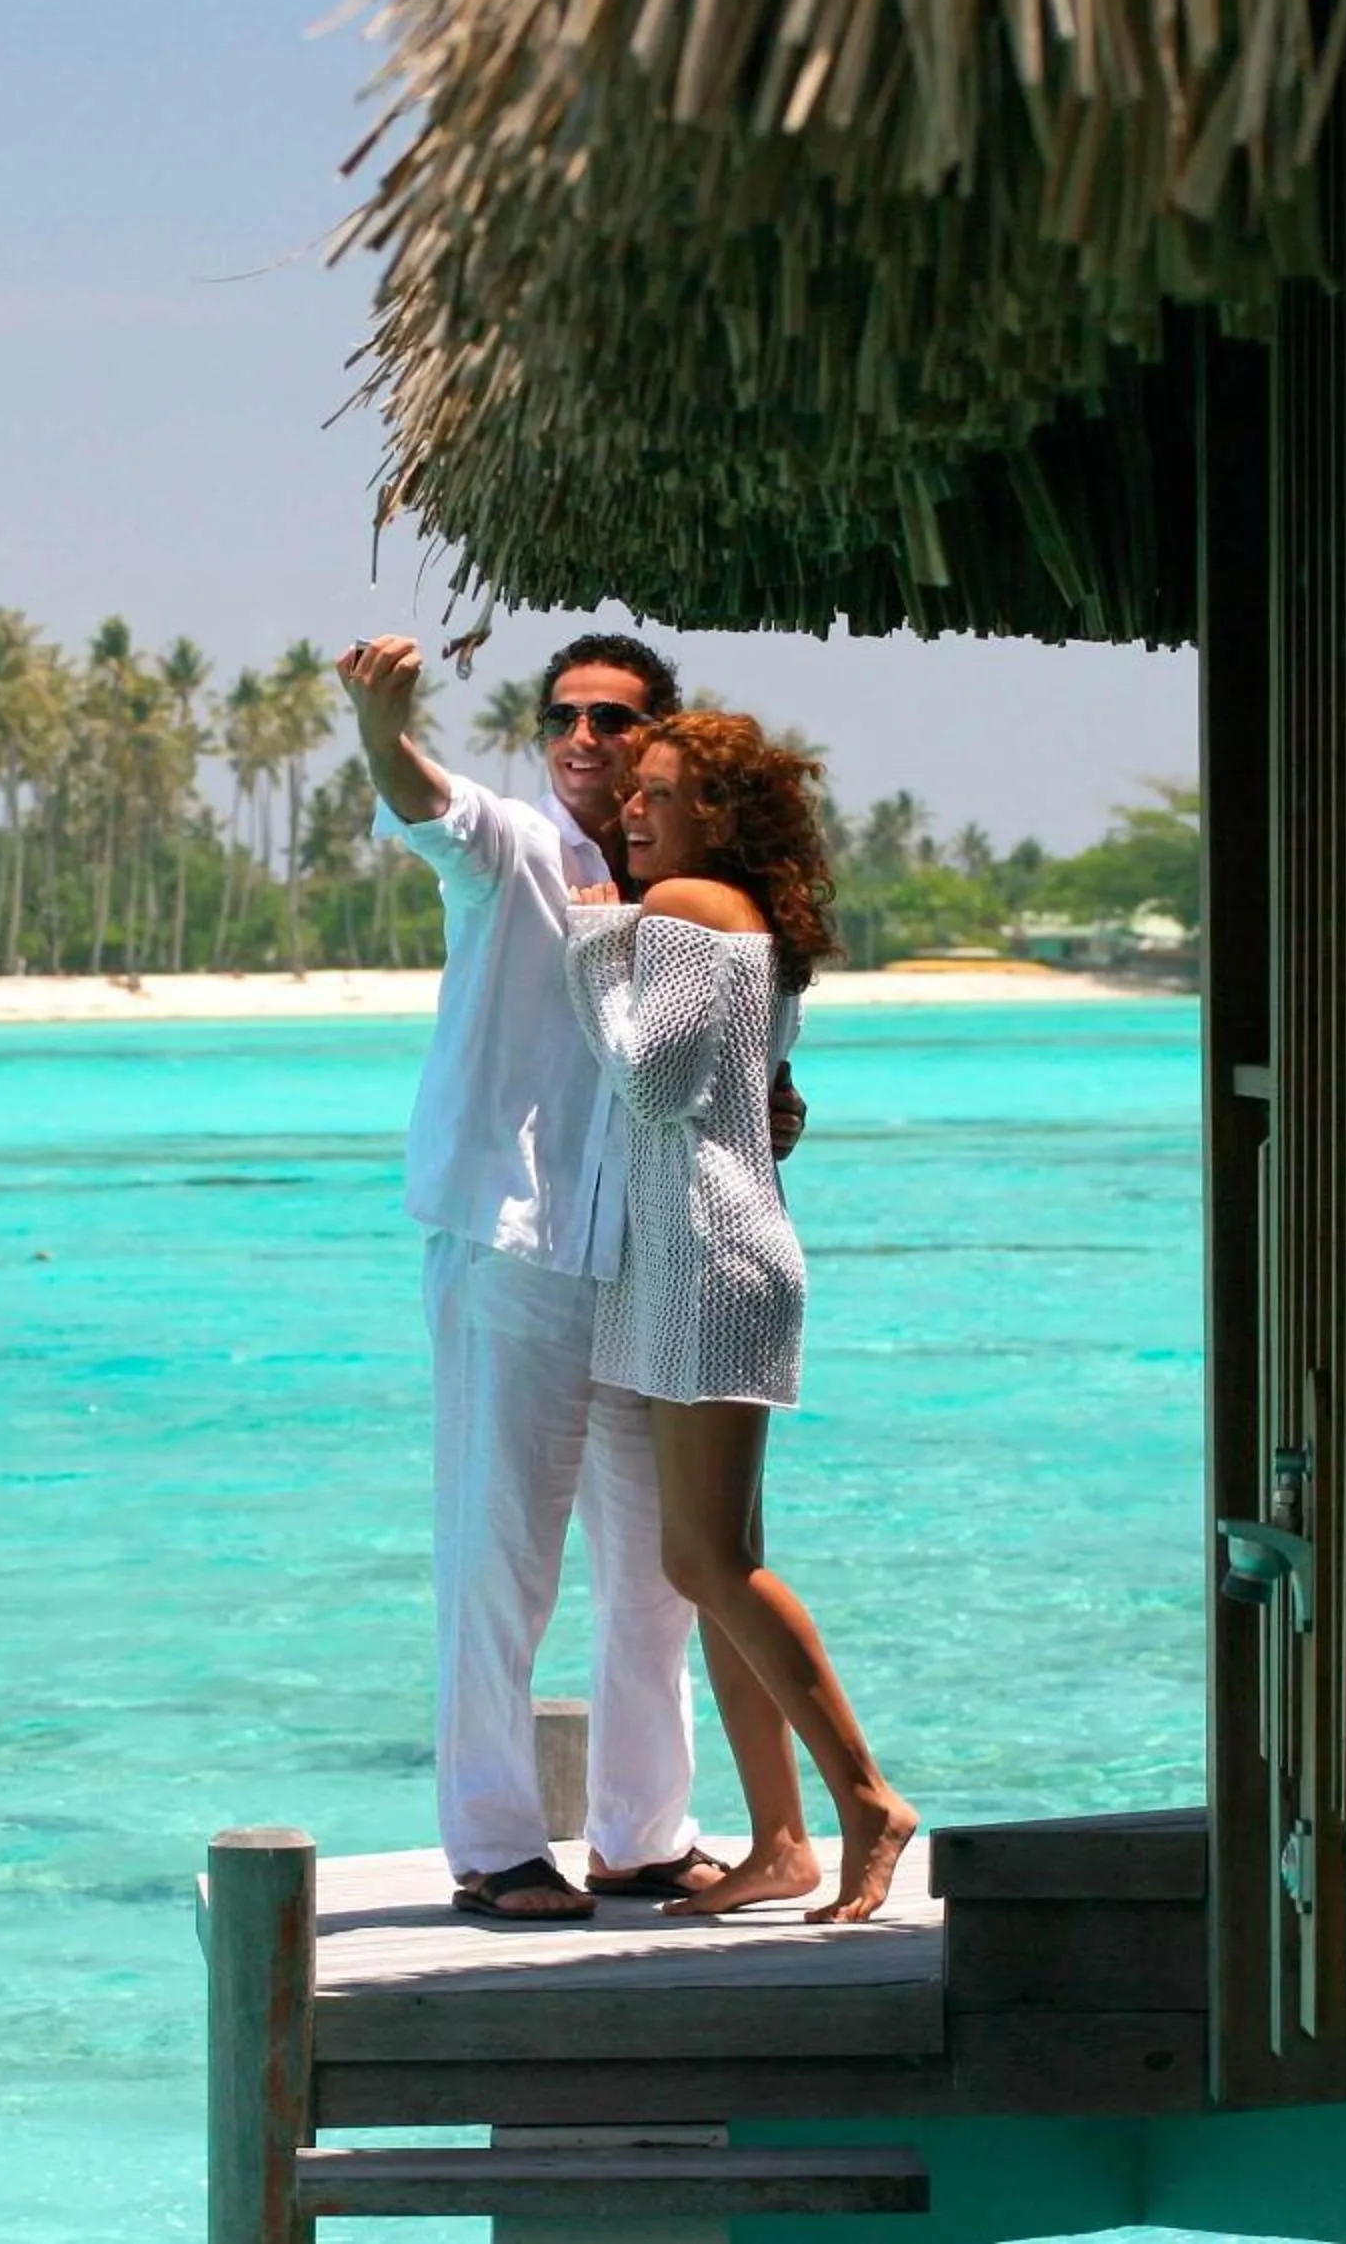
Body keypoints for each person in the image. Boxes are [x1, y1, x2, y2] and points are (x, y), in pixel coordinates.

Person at [338, 632, 811, 1923]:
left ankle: (643, 1835)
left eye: (615, 718)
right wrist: (380, 720)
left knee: (656, 1569)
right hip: (516, 1240)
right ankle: (493, 1842)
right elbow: (423, 799)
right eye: (565, 714)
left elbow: (704, 1067)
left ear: (660, 735)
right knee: (501, 1553)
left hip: (643, 1262)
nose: (586, 737)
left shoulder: (684, 886)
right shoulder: (516, 850)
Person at [562, 709, 916, 1922]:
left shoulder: (683, 912)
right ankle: (780, 1842)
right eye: (636, 794)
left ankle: (865, 1801)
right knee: (714, 1564)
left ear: (717, 816)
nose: (634, 809)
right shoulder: (733, 917)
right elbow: (748, 1095)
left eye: (659, 793)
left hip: (708, 1257)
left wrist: (598, 937)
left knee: (706, 1557)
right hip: (700, 1254)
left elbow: (652, 1079)